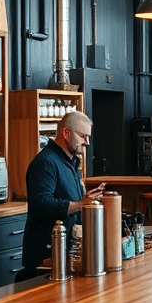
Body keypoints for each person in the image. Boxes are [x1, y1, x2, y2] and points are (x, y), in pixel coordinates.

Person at [20, 111, 103, 282]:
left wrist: (85, 199)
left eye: (88, 137)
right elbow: (40, 204)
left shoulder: (71, 161)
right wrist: (80, 204)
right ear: (66, 133)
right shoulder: (46, 162)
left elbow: (67, 197)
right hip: (46, 255)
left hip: (65, 251)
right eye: (83, 136)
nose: (86, 142)